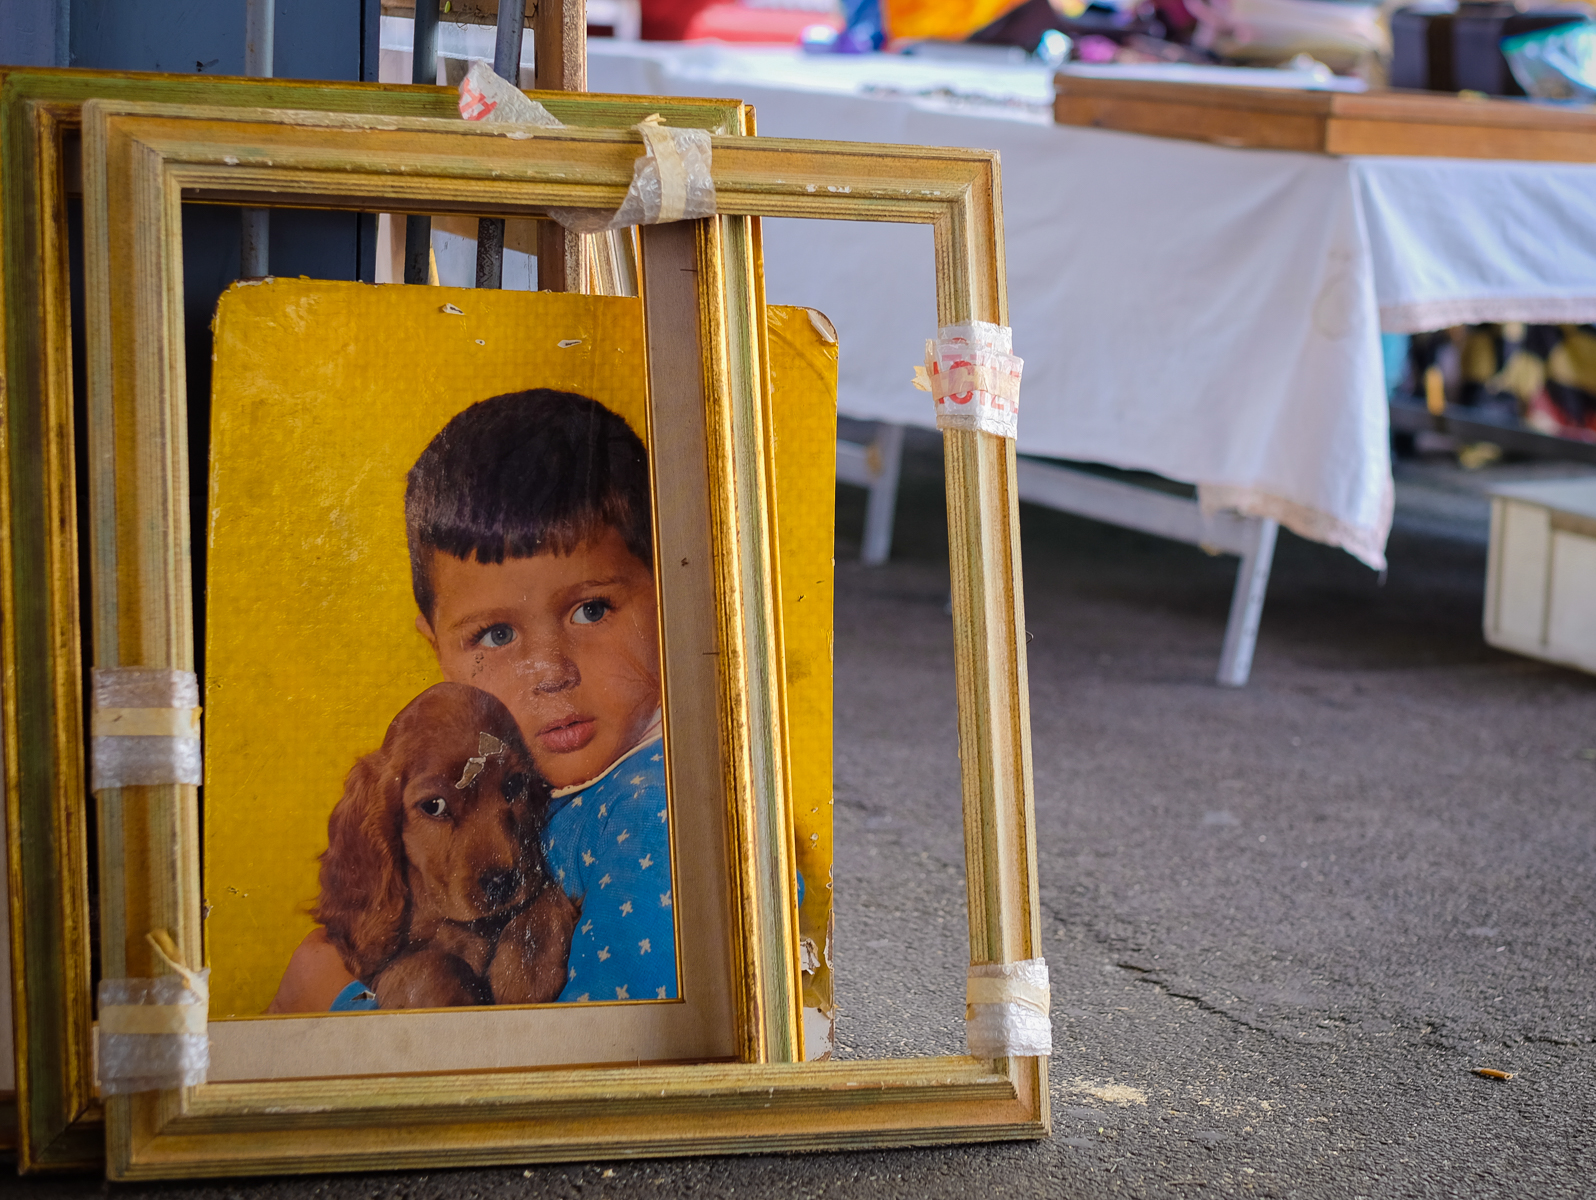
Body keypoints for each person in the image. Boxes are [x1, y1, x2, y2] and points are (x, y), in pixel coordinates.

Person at [269, 390, 676, 1012]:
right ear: (435, 647)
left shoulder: (655, 814)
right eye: (495, 635)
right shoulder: (507, 767)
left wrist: (338, 1001)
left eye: (591, 610)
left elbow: (610, 1078)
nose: (549, 672)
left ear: (671, 595)